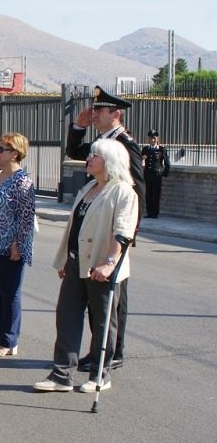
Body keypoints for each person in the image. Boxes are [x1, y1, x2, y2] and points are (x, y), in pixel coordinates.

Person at [33, 139, 138, 393]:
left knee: (102, 321)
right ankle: (61, 375)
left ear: (110, 161)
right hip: (76, 261)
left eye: (95, 155)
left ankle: (100, 374)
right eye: (89, 155)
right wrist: (64, 259)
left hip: (101, 266)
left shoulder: (123, 191)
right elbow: (74, 227)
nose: (88, 159)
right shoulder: (89, 187)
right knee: (67, 316)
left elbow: (123, 233)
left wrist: (109, 264)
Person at [66, 86, 145, 372]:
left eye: (100, 110)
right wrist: (78, 126)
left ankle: (114, 351)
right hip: (99, 228)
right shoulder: (102, 140)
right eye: (95, 109)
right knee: (95, 295)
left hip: (118, 229)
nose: (95, 114)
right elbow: (74, 151)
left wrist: (129, 234)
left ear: (116, 114)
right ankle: (97, 349)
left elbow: (136, 188)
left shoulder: (125, 143)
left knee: (113, 296)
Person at [0, 133, 35, 357]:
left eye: (1, 149)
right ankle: (3, 337)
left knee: (10, 293)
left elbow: (26, 217)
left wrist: (18, 244)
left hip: (9, 245)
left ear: (15, 153)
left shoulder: (22, 181)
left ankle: (8, 340)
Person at [141, 129, 170, 219]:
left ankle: (155, 213)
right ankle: (149, 212)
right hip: (148, 175)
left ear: (157, 139)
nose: (152, 140)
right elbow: (140, 160)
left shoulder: (161, 149)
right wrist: (142, 158)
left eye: (154, 138)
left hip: (157, 175)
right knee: (148, 194)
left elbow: (167, 163)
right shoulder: (145, 149)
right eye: (150, 138)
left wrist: (164, 173)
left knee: (156, 194)